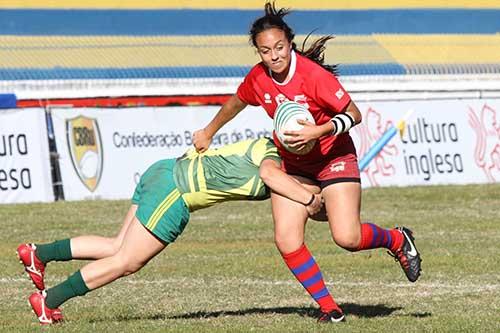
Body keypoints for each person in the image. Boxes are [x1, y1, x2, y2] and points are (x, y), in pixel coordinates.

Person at [193, 1, 422, 323]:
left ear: (289, 43)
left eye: (280, 48)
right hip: (295, 166)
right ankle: (330, 309)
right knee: (286, 238)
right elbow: (237, 102)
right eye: (265, 51)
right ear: (258, 53)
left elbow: (353, 115)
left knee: (347, 238)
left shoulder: (314, 77)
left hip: (334, 158)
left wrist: (319, 129)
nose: (274, 56)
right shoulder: (259, 79)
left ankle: (398, 239)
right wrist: (208, 131)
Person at [17, 137, 325, 325]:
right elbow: (272, 175)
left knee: (116, 246)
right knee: (127, 261)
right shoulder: (273, 160)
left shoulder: (262, 144)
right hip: (175, 191)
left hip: (164, 169)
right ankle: (49, 301)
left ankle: (38, 254)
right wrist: (311, 199)